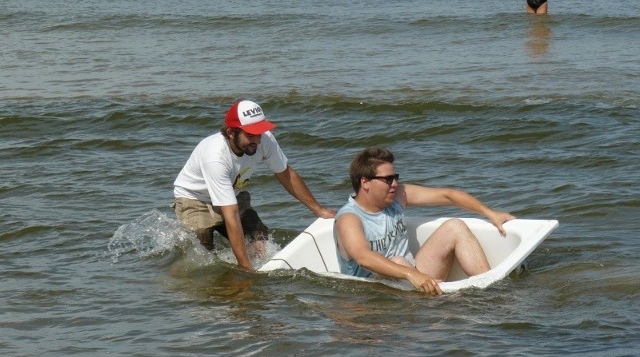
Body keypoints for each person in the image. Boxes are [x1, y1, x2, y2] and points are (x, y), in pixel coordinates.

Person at [173, 99, 335, 270]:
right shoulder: (215, 157)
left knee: (259, 244)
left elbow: (286, 174)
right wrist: (246, 268)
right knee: (203, 257)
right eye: (250, 135)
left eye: (260, 132)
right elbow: (231, 214)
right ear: (231, 132)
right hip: (195, 198)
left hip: (233, 192)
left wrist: (317, 209)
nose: (257, 140)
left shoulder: (264, 140)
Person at [333, 147, 515, 295]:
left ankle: (492, 291)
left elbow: (448, 196)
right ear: (365, 183)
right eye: (388, 179)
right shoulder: (349, 218)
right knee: (397, 260)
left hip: (411, 276)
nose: (395, 184)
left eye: (395, 178)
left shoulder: (397, 196)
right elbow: (363, 258)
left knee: (455, 227)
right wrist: (412, 274)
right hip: (374, 294)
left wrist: (490, 213)